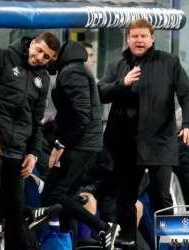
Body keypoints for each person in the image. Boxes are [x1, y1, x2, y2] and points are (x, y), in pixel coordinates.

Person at [98, 18, 189, 248]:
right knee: (125, 197)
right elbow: (101, 92)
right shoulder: (117, 64)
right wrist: (122, 83)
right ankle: (128, 241)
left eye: (143, 36)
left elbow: (188, 95)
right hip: (125, 144)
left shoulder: (170, 62)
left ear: (152, 38)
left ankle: (169, 242)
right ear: (128, 39)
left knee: (161, 196)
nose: (139, 40)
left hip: (160, 142)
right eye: (134, 36)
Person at [0, 32, 62, 250]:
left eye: (46, 57)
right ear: (33, 42)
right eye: (39, 51)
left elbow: (36, 120)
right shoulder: (2, 56)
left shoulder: (43, 79)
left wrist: (34, 153)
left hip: (17, 148)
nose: (39, 58)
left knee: (15, 206)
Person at [41, 40, 119, 250]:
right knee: (66, 198)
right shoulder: (74, 68)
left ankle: (102, 227)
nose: (42, 61)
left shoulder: (71, 72)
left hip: (78, 143)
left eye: (46, 56)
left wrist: (59, 144)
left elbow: (80, 114)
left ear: (55, 54)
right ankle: (71, 245)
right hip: (86, 142)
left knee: (52, 194)